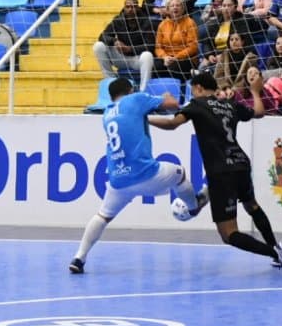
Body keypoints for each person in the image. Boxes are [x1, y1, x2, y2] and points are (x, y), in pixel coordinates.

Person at [148, 70, 282, 275]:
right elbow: (260, 112)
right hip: (241, 163)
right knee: (252, 206)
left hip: (221, 171)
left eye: (192, 90)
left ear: (199, 88)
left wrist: (145, 119)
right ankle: (275, 247)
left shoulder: (196, 105)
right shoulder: (231, 105)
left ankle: (275, 253)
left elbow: (172, 124)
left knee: (228, 234)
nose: (192, 94)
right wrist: (255, 91)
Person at [68, 77, 206, 274]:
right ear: (129, 90)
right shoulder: (135, 99)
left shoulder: (107, 113)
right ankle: (193, 207)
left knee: (103, 215)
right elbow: (172, 104)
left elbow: (134, 120)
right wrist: (165, 96)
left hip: (118, 180)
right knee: (180, 173)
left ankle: (79, 257)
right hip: (145, 173)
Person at [92, 0, 155, 91]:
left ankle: (144, 90)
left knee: (147, 55)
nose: (130, 9)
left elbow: (150, 46)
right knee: (98, 46)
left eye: (133, 6)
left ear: (138, 8)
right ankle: (110, 81)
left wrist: (130, 49)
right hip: (121, 57)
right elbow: (102, 36)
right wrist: (115, 41)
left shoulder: (146, 21)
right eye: (128, 7)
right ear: (124, 7)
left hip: (136, 59)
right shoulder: (118, 20)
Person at [153, 0, 200, 81]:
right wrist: (164, 57)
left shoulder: (190, 22)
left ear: (182, 9)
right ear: (168, 9)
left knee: (174, 67)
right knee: (155, 67)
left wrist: (176, 57)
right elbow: (158, 47)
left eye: (178, 5)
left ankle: (180, 91)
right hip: (167, 58)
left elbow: (193, 47)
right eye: (172, 6)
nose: (175, 8)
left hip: (186, 59)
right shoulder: (162, 24)